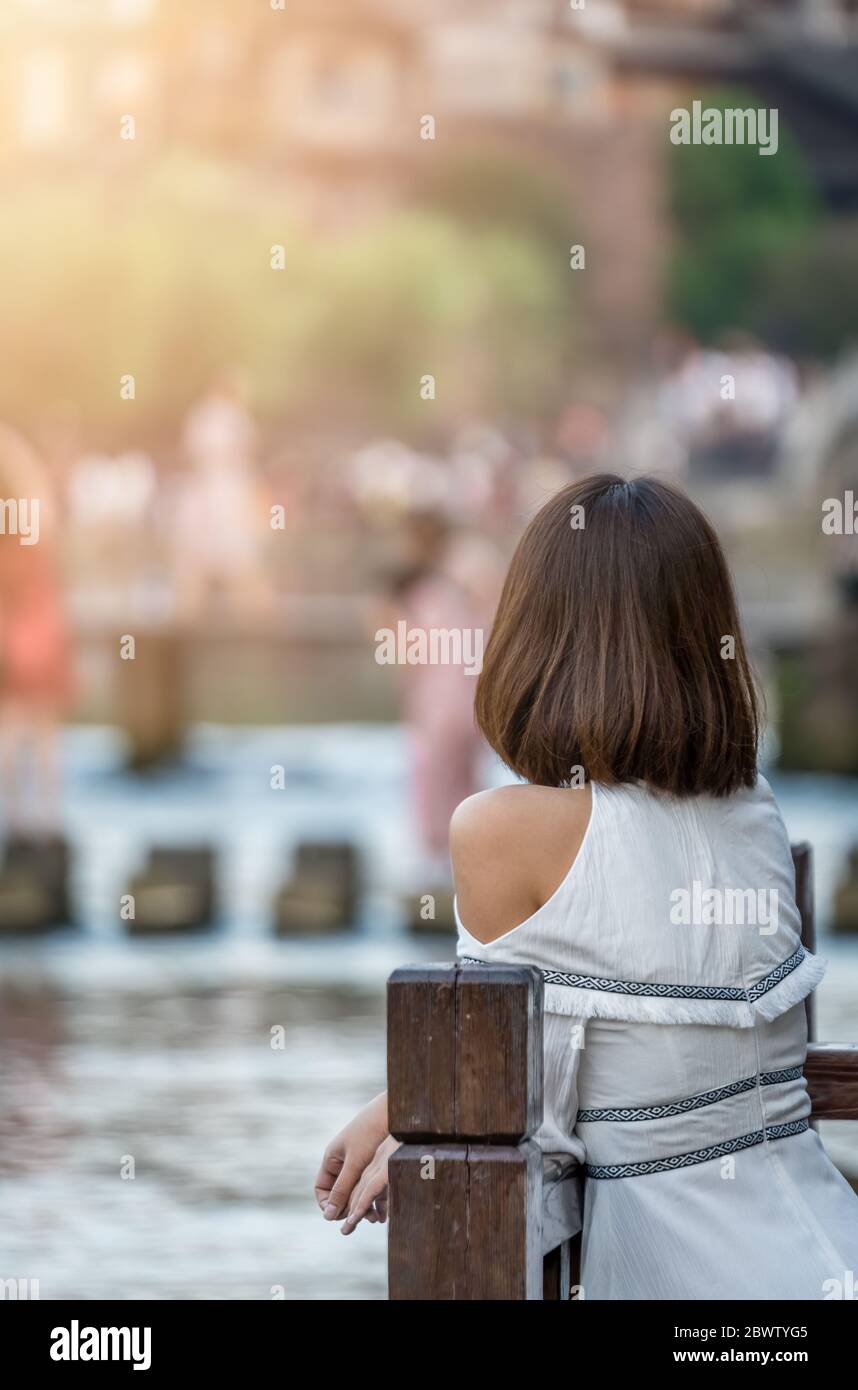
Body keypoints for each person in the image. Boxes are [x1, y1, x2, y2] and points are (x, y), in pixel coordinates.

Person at [315, 473, 858, 1299]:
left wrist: (406, 1118)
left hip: (685, 1276)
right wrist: (404, 1112)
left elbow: (500, 1070)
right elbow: (580, 1023)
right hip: (819, 1238)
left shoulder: (501, 830)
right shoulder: (754, 809)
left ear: (535, 634)